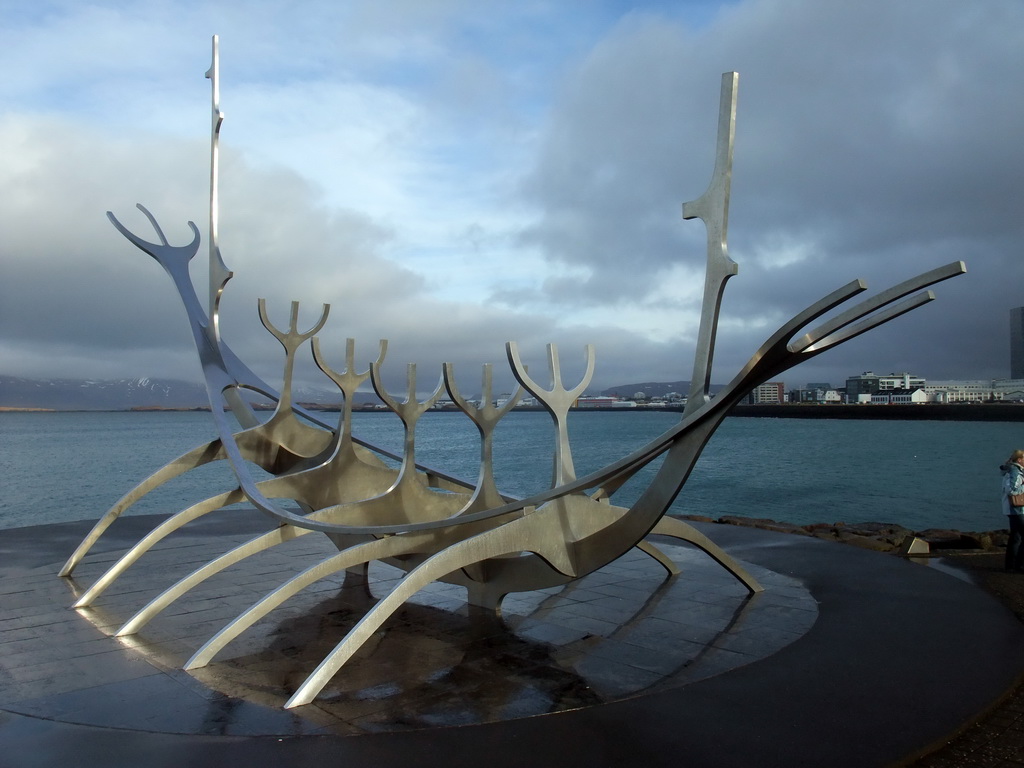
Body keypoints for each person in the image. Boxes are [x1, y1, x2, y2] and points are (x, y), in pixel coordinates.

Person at [1001, 450, 1024, 572]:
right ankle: (1019, 565)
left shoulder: (1012, 470)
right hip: (1017, 509)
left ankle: (1011, 565)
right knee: (1017, 537)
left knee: (1016, 537)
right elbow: (1012, 490)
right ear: (1019, 460)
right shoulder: (1015, 471)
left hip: (1013, 509)